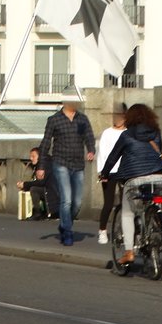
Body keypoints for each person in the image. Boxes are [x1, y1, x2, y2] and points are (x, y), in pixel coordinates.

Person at [100, 103, 162, 265]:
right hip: (159, 176)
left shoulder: (127, 135)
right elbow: (159, 153)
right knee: (153, 202)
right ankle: (154, 224)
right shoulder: (156, 133)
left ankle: (129, 251)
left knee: (127, 212)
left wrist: (105, 173)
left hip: (135, 178)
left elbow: (113, 157)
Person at [40, 89, 96, 246]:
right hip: (60, 163)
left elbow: (89, 137)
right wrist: (41, 166)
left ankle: (65, 224)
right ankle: (68, 232)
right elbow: (45, 143)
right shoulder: (54, 120)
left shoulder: (82, 119)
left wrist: (91, 150)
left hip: (78, 164)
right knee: (66, 200)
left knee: (77, 202)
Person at [96, 102, 128, 244]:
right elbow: (101, 153)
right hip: (109, 171)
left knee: (126, 203)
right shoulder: (107, 133)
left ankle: (124, 230)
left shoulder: (128, 133)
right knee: (108, 203)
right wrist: (102, 172)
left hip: (125, 170)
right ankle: (102, 230)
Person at [16, 146, 57, 220]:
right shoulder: (45, 163)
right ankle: (42, 212)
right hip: (51, 190)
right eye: (30, 156)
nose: (31, 158)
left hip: (52, 192)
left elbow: (40, 182)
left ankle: (37, 212)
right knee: (34, 188)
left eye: (33, 156)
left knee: (34, 189)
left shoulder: (44, 165)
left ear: (40, 157)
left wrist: (25, 184)